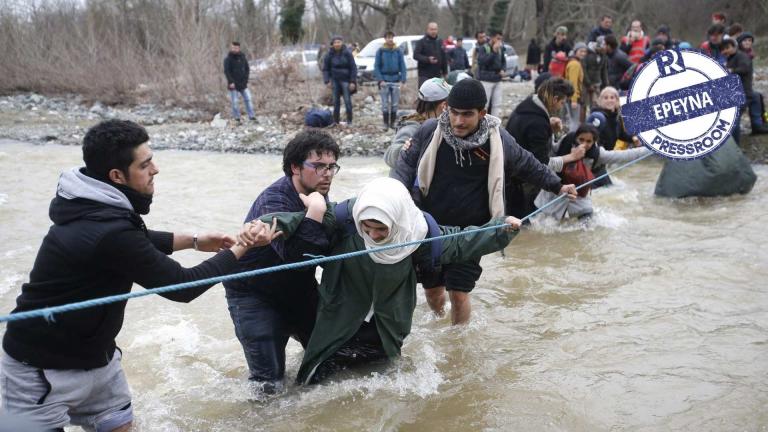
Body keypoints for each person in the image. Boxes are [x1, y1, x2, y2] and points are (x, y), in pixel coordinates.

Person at [0, 120, 279, 432]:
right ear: (117, 176)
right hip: (37, 370)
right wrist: (243, 246)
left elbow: (136, 238)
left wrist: (195, 240)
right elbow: (182, 287)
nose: (155, 169)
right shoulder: (107, 229)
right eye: (145, 165)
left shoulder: (94, 204)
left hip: (97, 359)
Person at [242, 178, 522, 384]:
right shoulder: (343, 220)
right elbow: (294, 220)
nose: (374, 236)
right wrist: (264, 225)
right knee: (313, 389)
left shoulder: (418, 234)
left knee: (382, 390)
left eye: (381, 230)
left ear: (398, 221)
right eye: (368, 228)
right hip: (337, 324)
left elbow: (461, 241)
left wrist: (501, 229)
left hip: (385, 330)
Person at [393, 78, 577, 324]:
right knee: (433, 291)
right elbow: (403, 168)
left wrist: (558, 185)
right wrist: (391, 198)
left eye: (467, 115)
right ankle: (439, 327)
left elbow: (527, 164)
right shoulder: (429, 131)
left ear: (482, 113)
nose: (458, 121)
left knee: (459, 293)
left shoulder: (498, 139)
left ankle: (458, 347)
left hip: (474, 231)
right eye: (454, 112)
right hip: (431, 227)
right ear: (446, 107)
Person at [223, 130, 341, 394]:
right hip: (254, 295)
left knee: (326, 366)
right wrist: (315, 212)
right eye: (319, 166)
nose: (328, 173)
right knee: (269, 385)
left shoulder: (317, 194)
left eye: (332, 166)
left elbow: (324, 249)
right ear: (295, 168)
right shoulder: (273, 201)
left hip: (298, 290)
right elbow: (296, 257)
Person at [534, 123, 650, 221]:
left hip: (579, 192)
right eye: (581, 140)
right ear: (576, 138)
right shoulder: (567, 140)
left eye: (589, 141)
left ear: (594, 141)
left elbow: (625, 155)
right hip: (555, 189)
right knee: (543, 222)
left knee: (587, 221)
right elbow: (550, 153)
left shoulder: (598, 154)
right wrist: (551, 131)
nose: (584, 144)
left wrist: (651, 148)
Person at [506, 77, 580, 218]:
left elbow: (527, 140)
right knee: (525, 224)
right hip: (520, 182)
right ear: (554, 99)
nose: (561, 107)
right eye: (562, 102)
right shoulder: (538, 123)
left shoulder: (529, 105)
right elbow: (541, 164)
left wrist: (549, 129)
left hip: (511, 175)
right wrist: (571, 157)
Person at [384, 78, 451, 176]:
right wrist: (409, 149)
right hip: (407, 188)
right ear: (444, 106)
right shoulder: (412, 128)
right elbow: (389, 156)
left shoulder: (438, 125)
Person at [374, 30, 407, 130]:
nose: (390, 39)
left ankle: (392, 123)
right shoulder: (380, 51)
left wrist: (403, 80)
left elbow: (403, 66)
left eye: (391, 37)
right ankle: (385, 123)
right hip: (384, 80)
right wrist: (380, 80)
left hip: (396, 80)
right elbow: (377, 66)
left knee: (394, 104)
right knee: (385, 104)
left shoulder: (398, 51)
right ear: (385, 39)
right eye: (388, 37)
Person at [323, 36, 358, 125]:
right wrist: (327, 81)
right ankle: (336, 121)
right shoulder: (329, 55)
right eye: (335, 42)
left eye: (339, 42)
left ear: (342, 43)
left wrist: (353, 81)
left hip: (346, 80)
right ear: (333, 44)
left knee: (347, 101)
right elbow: (325, 69)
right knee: (336, 102)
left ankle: (349, 121)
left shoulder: (348, 53)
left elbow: (353, 68)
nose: (337, 44)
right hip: (334, 80)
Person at [477, 30, 507, 117]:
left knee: (496, 104)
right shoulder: (484, 48)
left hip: (498, 79)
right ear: (492, 38)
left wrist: (503, 70)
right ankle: (483, 123)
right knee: (485, 105)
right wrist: (493, 51)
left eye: (501, 39)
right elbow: (482, 62)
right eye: (498, 38)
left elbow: (503, 61)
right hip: (487, 80)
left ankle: (494, 125)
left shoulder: (501, 48)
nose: (499, 41)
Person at [224, 41, 255, 123]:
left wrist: (246, 80)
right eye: (233, 47)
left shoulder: (242, 57)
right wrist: (231, 82)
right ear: (231, 48)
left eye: (236, 48)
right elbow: (227, 71)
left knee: (248, 99)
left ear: (239, 48)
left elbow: (247, 69)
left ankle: (252, 117)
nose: (235, 49)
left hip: (243, 84)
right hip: (233, 85)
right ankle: (237, 118)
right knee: (235, 102)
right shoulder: (228, 59)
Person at [414, 22, 448, 87]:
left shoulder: (440, 41)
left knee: (437, 95)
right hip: (425, 75)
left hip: (437, 74)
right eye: (431, 29)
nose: (433, 31)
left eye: (435, 29)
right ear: (427, 30)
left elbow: (444, 58)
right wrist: (428, 59)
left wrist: (445, 72)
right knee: (424, 95)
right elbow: (416, 55)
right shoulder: (421, 42)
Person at [564, 42, 588, 131]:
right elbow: (572, 83)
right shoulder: (575, 64)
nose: (583, 53)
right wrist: (574, 100)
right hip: (573, 98)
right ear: (575, 51)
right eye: (581, 51)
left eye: (585, 51)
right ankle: (572, 140)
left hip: (571, 97)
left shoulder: (574, 62)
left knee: (572, 121)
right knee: (574, 123)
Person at [583, 37, 609, 111]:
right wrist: (588, 83)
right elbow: (584, 69)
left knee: (596, 103)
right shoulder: (588, 54)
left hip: (597, 83)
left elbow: (604, 71)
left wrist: (606, 84)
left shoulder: (603, 56)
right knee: (585, 104)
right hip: (586, 83)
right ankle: (583, 121)